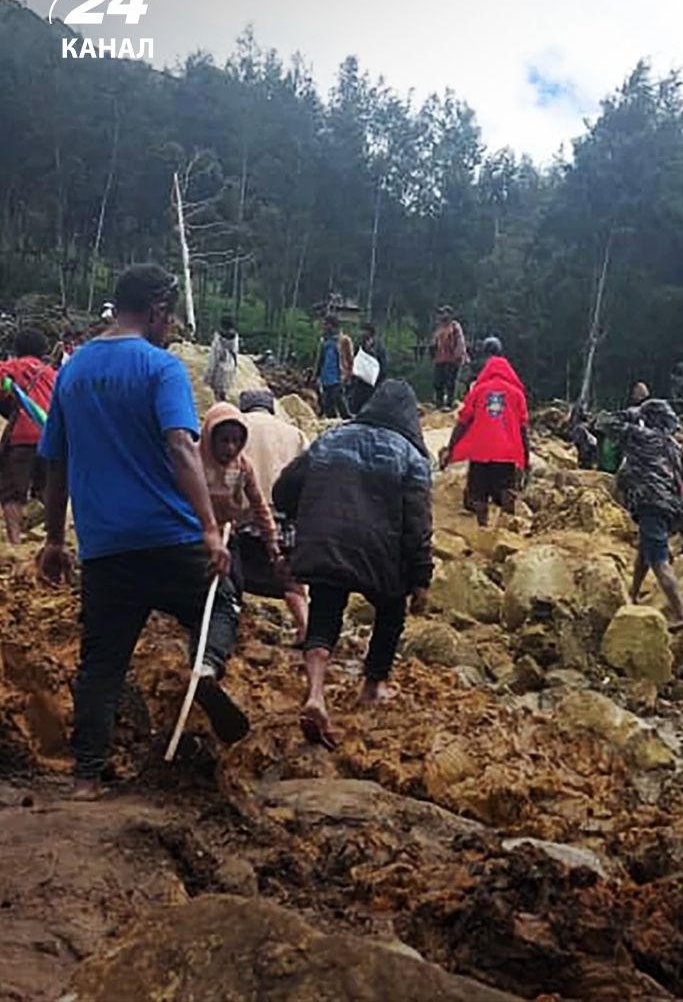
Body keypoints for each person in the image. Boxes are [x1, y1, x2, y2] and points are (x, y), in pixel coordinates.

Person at [37, 265, 249, 798]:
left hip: (105, 546)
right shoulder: (161, 368)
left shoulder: (73, 370)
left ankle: (86, 777)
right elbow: (181, 446)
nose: (172, 324)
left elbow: (56, 465)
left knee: (102, 663)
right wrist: (208, 528)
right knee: (221, 602)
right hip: (169, 536)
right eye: (170, 314)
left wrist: (56, 540)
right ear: (157, 309)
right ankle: (205, 665)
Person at [273, 380, 432, 749]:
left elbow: (284, 489)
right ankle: (373, 686)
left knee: (326, 613)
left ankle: (315, 692)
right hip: (382, 555)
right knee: (390, 615)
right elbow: (418, 523)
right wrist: (421, 578)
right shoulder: (412, 456)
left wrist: (302, 518)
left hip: (327, 543)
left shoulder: (331, 438)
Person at [200, 402, 308, 644]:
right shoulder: (294, 433)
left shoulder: (231, 439)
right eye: (225, 441)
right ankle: (304, 628)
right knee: (291, 582)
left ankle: (224, 629)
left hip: (242, 523)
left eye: (235, 442)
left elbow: (256, 503)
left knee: (233, 579)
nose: (231, 447)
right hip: (279, 516)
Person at [614, 399, 683, 623]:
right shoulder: (675, 447)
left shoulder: (640, 436)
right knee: (646, 550)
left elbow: (604, 422)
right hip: (672, 507)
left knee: (659, 560)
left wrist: (630, 414)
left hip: (650, 504)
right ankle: (632, 594)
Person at [446, 338, 529, 529]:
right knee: (504, 492)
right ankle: (506, 532)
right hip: (506, 452)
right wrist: (526, 457)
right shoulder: (516, 393)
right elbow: (524, 428)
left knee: (479, 494)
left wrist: (451, 448)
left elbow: (463, 422)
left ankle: (482, 529)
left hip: (480, 451)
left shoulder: (478, 391)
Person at [0, 327, 57, 544]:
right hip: (49, 437)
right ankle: (49, 539)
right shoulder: (52, 374)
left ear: (16, 349)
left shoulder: (10, 367)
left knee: (11, 492)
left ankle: (15, 540)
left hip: (21, 438)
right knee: (45, 490)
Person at [312, 314, 355, 419]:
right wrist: (315, 374)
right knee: (327, 403)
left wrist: (348, 375)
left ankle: (347, 419)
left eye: (326, 324)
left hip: (337, 377)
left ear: (333, 325)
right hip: (325, 377)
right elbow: (320, 359)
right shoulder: (324, 341)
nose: (325, 327)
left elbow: (349, 359)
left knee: (339, 400)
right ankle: (332, 420)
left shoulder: (344, 340)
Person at [431, 305, 467, 411]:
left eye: (445, 313)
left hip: (451, 359)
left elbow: (460, 342)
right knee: (438, 382)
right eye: (441, 313)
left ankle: (449, 404)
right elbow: (434, 342)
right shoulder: (439, 328)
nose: (442, 315)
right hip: (440, 359)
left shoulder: (455, 327)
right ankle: (439, 403)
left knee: (450, 382)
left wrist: (459, 356)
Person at [347, 321, 386, 414]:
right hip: (360, 383)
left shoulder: (378, 347)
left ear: (370, 332)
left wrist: (379, 382)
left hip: (373, 385)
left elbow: (383, 365)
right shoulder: (360, 346)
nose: (362, 333)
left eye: (364, 331)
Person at [209, 315, 240, 403]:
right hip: (230, 364)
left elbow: (214, 354)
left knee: (217, 392)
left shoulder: (218, 337)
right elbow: (235, 351)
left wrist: (210, 374)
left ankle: (219, 407)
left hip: (219, 365)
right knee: (224, 390)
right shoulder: (235, 337)